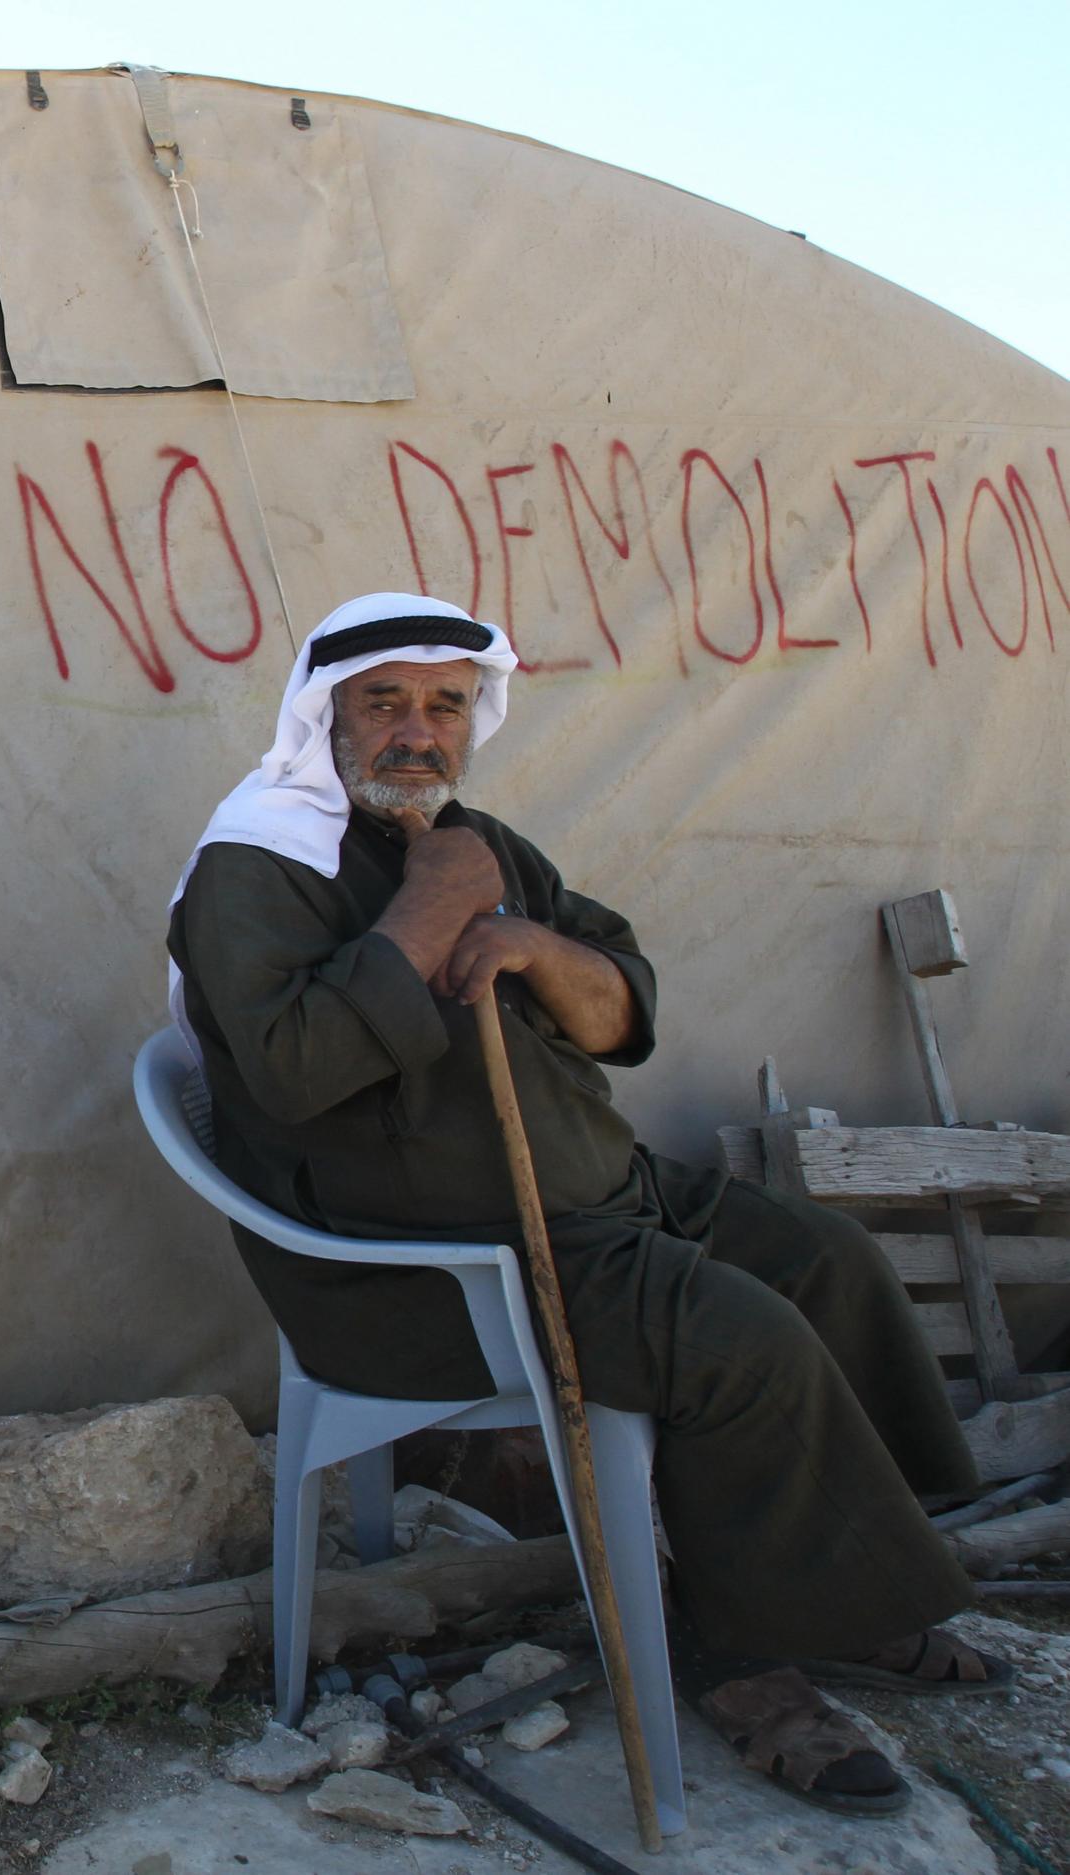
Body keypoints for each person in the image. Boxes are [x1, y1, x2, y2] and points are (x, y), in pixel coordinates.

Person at [165, 591, 1006, 1816]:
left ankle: (846, 1594)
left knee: (829, 1262)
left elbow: (621, 1015)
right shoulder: (258, 867)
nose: (417, 731)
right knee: (736, 1342)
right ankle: (740, 1658)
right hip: (426, 1261)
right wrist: (432, 912)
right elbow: (291, 1073)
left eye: (445, 704)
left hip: (600, 1197)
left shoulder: (472, 837)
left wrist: (533, 946)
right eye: (383, 703)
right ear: (323, 716)